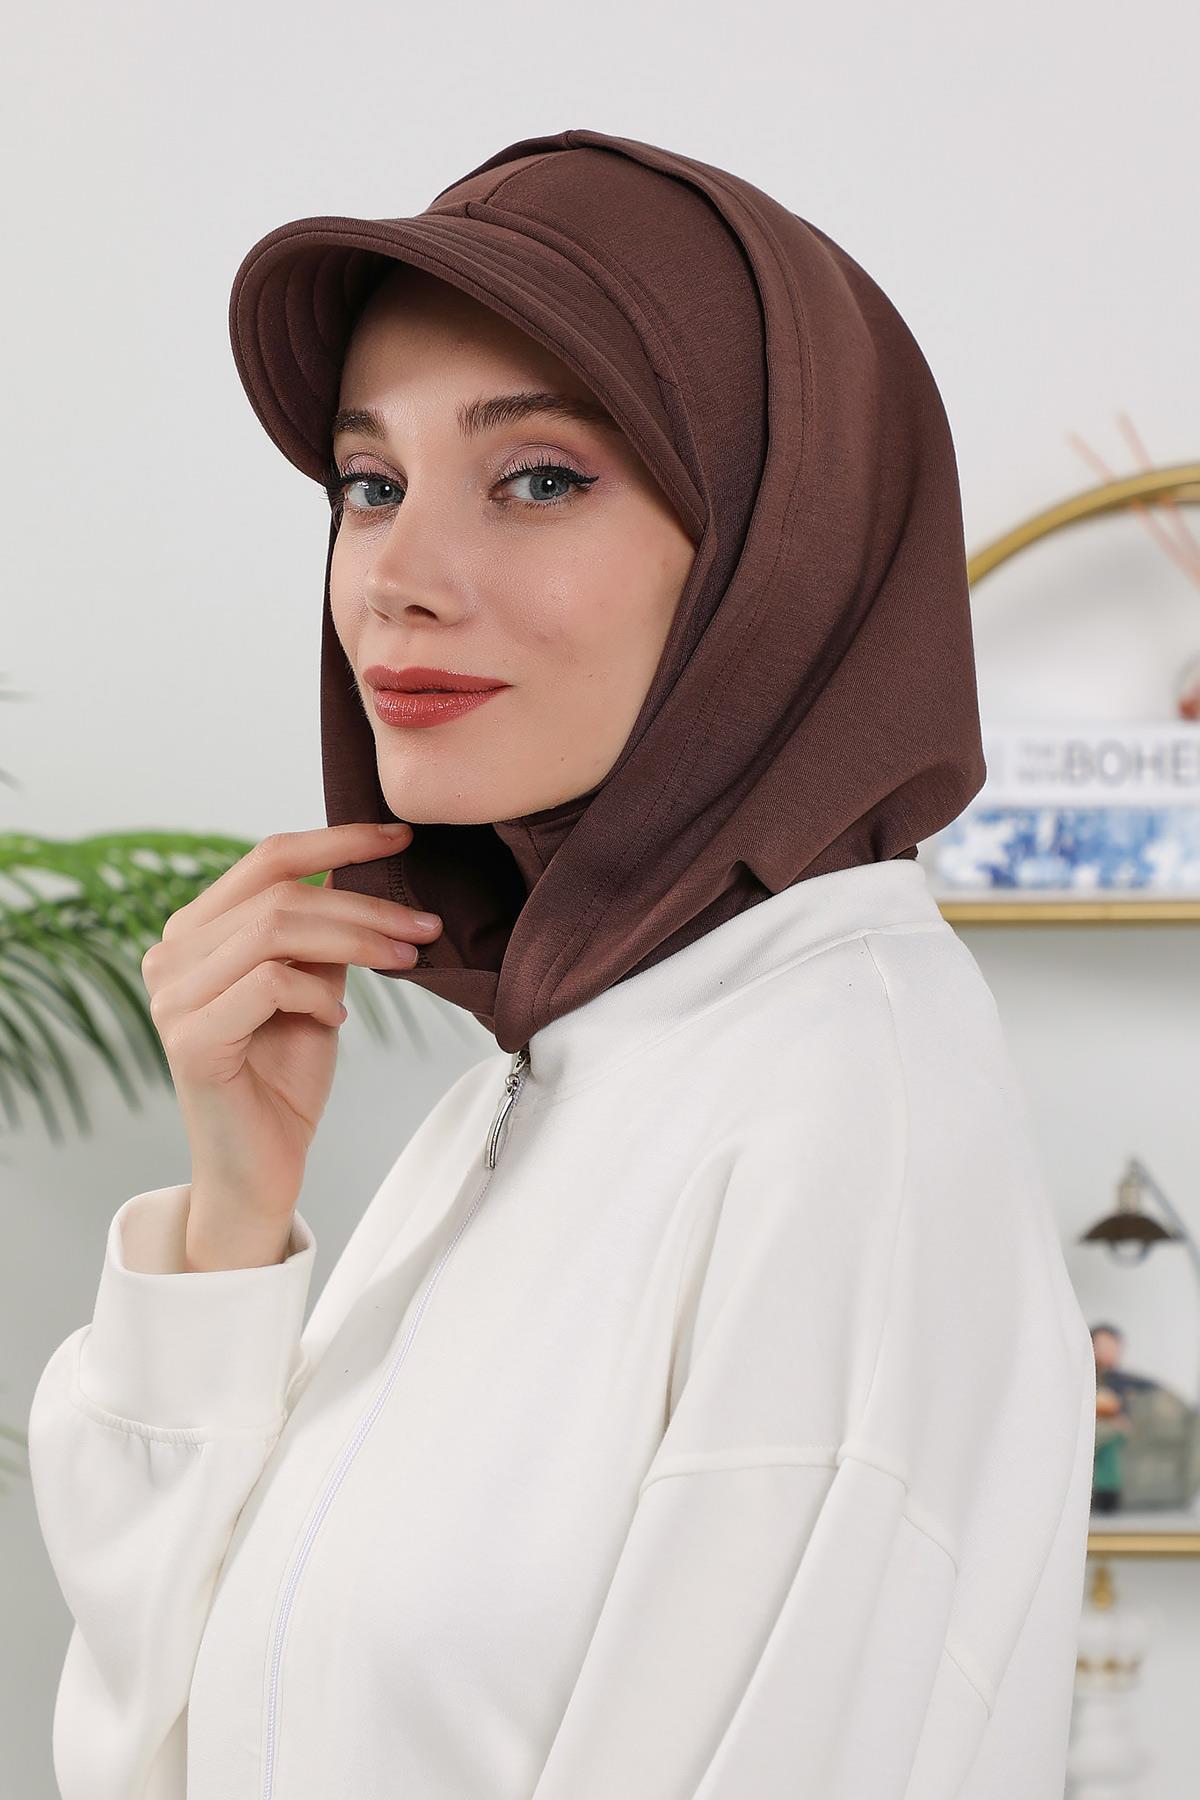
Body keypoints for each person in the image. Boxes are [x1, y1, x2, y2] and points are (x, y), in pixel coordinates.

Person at [28, 127, 1097, 1800]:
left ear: (774, 552)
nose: (396, 583)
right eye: (370, 485)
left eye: (539, 479)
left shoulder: (847, 1120)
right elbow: (171, 1740)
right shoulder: (555, 1081)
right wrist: (231, 1227)